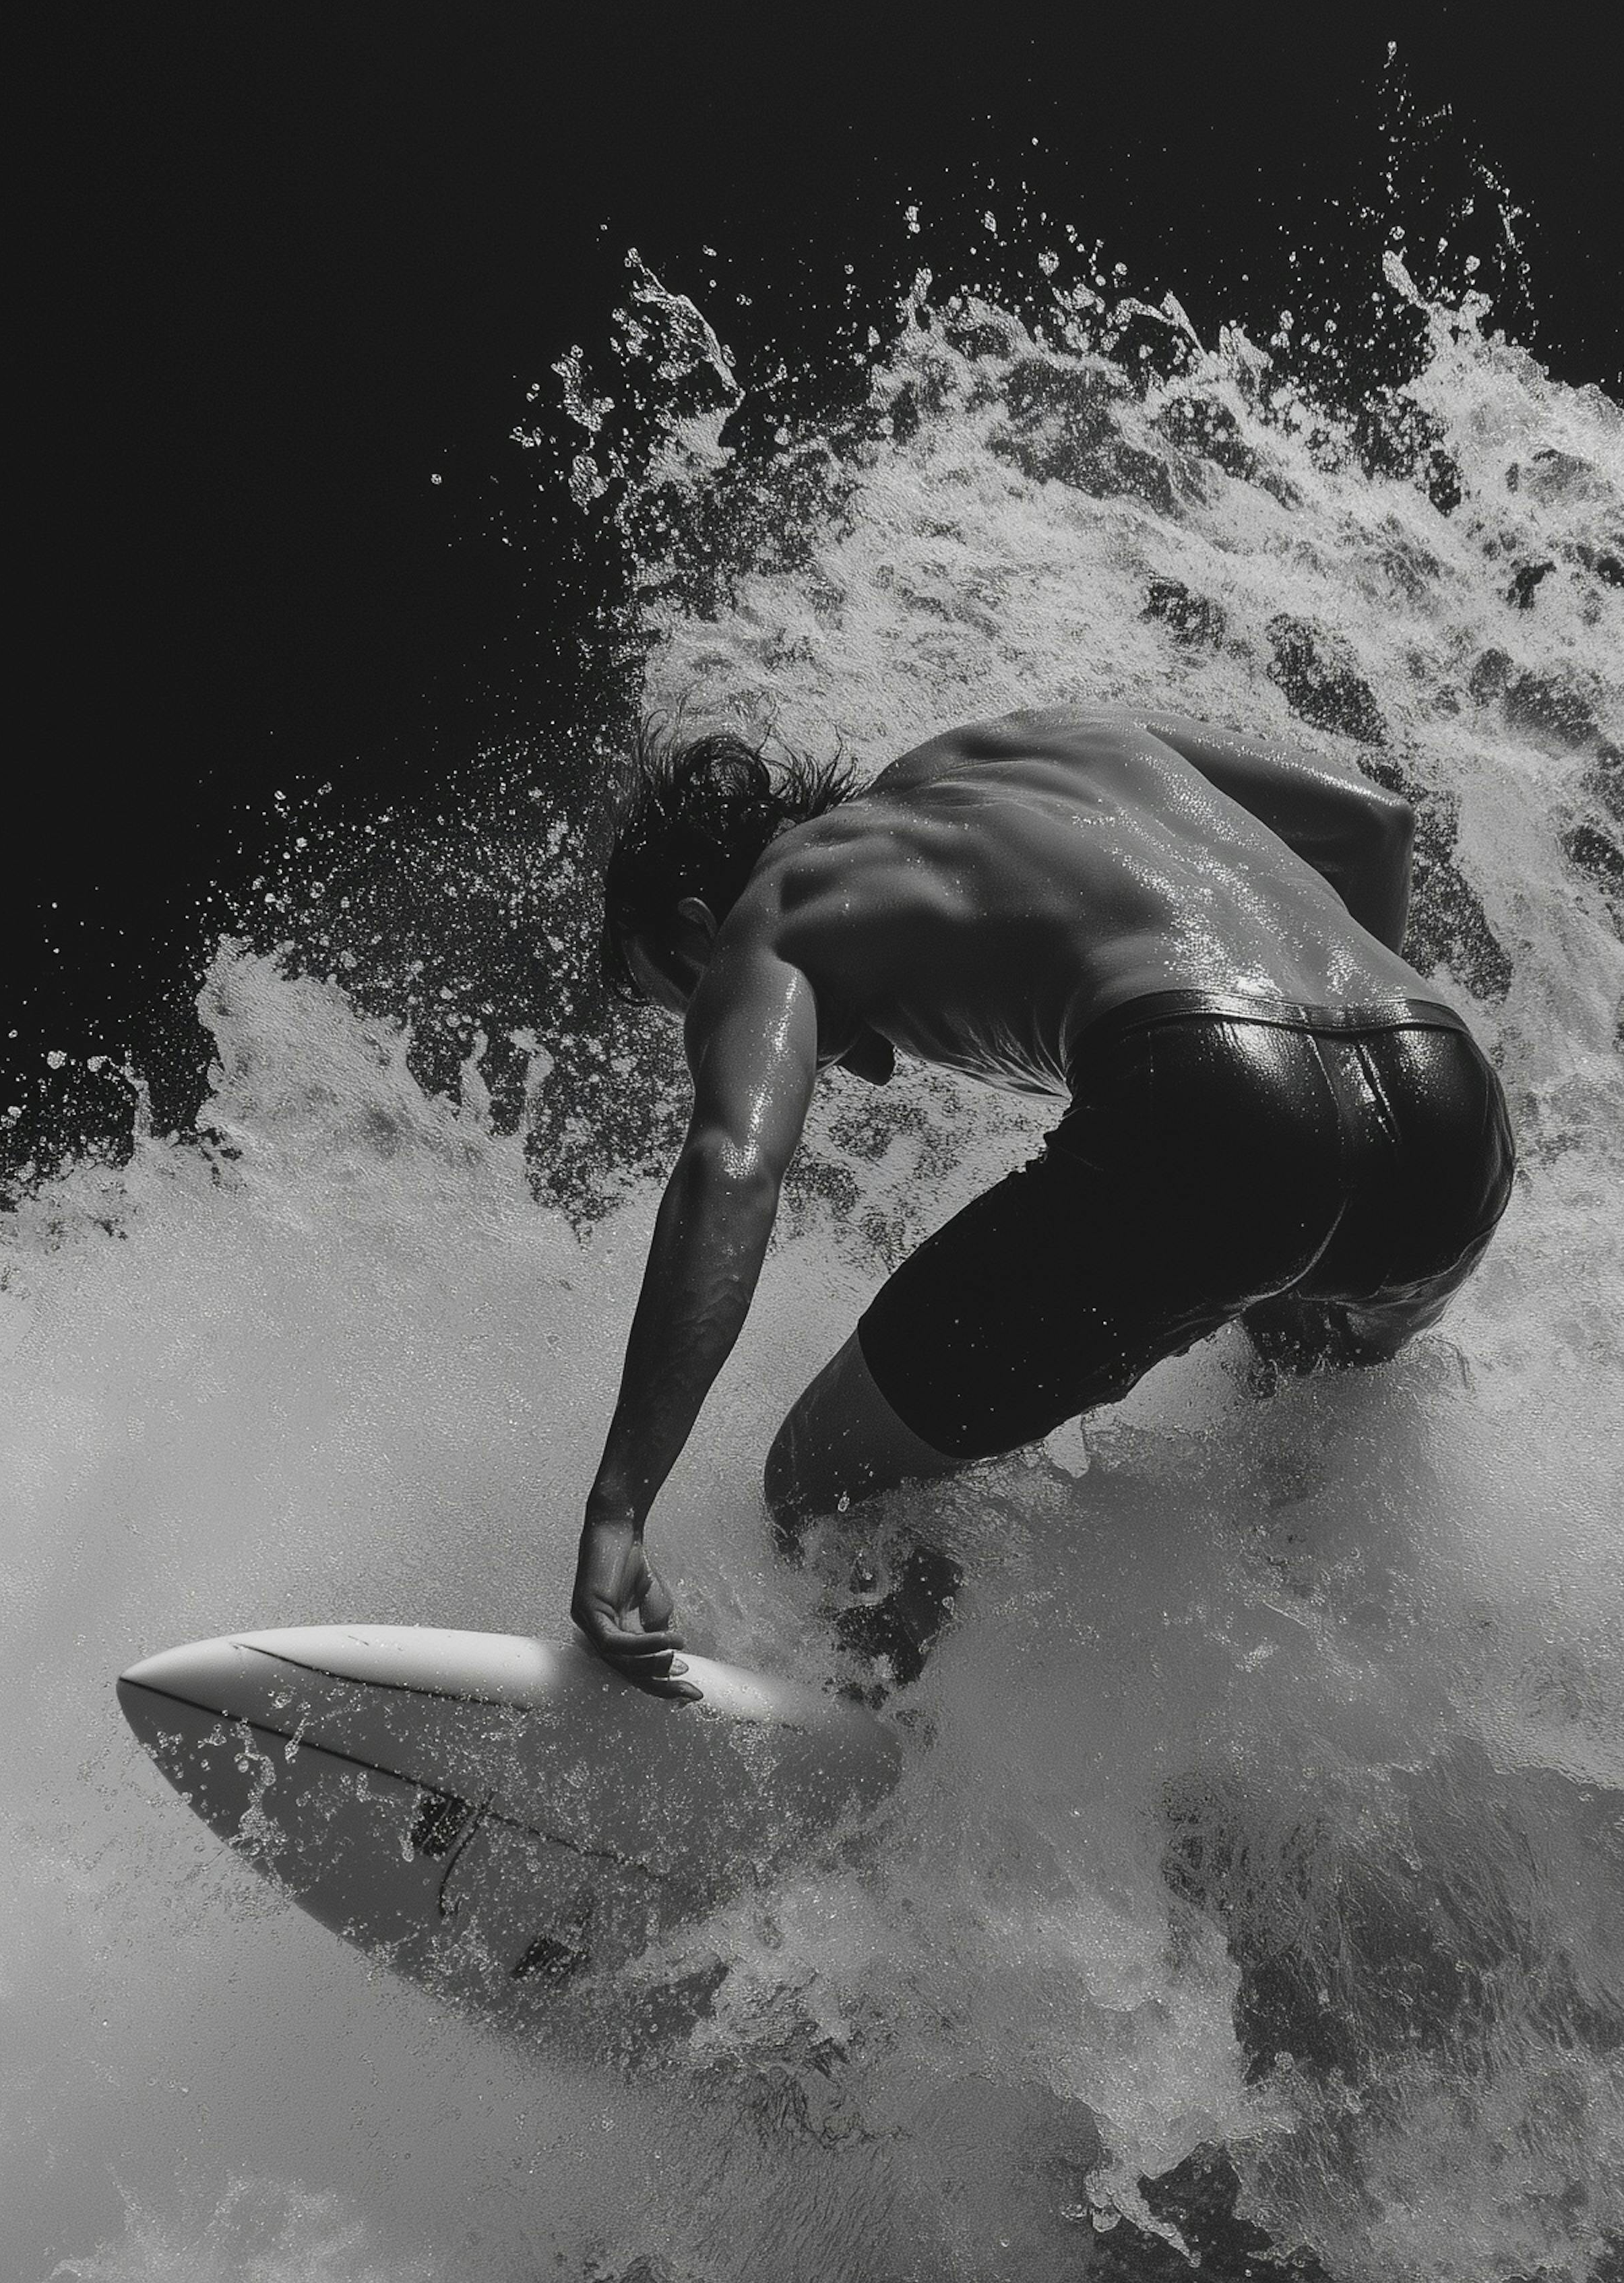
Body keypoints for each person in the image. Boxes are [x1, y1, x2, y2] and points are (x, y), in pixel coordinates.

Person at [571, 708, 1515, 1695]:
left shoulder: (782, 903)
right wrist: (1327, 1154)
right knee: (1292, 1399)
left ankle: (903, 1764)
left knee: (826, 1482)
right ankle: (1283, 1736)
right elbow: (1377, 830)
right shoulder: (1047, 743)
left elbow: (734, 1167)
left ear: (693, 929)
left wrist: (619, 1509)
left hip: (1214, 1095)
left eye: (688, 999)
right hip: (1445, 1112)